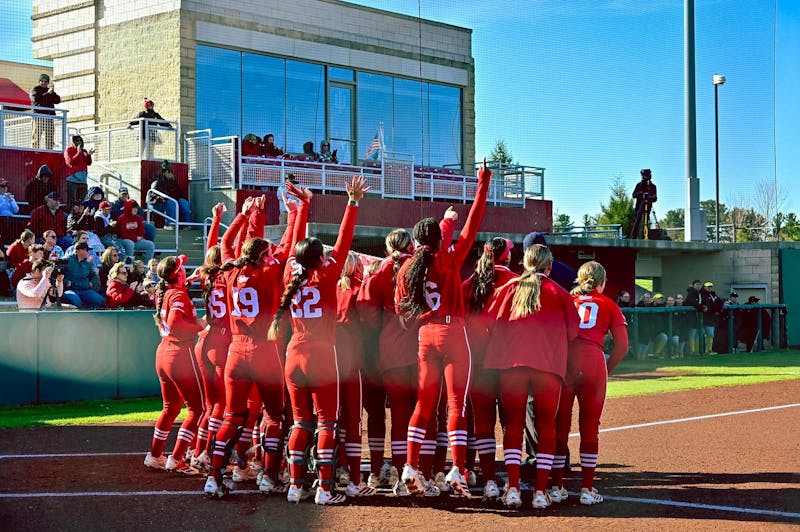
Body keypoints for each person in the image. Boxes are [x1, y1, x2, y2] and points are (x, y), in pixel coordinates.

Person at [268, 176, 368, 506]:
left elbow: (297, 245)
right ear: (319, 259)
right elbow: (344, 238)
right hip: (322, 354)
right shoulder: (326, 275)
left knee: (300, 422)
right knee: (327, 423)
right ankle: (325, 489)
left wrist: (301, 208)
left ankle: (296, 486)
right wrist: (352, 202)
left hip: (293, 353)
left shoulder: (289, 274)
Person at [395, 159, 491, 498]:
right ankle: (457, 470)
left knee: (423, 404)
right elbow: (475, 221)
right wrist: (482, 182)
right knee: (455, 406)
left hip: (424, 335)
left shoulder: (406, 267)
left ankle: (410, 466)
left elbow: (399, 306)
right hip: (452, 332)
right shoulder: (449, 259)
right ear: (439, 239)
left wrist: (445, 226)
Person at [204, 190, 309, 499]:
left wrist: (246, 215)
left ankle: (213, 477)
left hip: (235, 349)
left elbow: (225, 245)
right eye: (268, 252)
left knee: (232, 417)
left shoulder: (231, 270)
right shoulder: (267, 272)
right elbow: (290, 247)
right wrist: (295, 214)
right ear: (264, 256)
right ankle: (268, 475)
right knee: (275, 416)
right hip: (263, 350)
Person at [485, 244, 579, 509]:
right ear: (549, 267)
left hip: (511, 366)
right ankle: (540, 492)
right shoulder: (560, 293)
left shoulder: (508, 291)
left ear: (524, 264)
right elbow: (573, 334)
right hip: (548, 367)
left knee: (512, 427)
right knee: (547, 427)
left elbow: (491, 326)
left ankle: (513, 488)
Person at [549, 261, 629, 507]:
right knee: (590, 427)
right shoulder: (608, 304)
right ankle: (586, 488)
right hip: (593, 363)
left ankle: (557, 486)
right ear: (602, 282)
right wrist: (607, 368)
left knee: (559, 426)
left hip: (566, 362)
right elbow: (622, 346)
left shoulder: (567, 300)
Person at [355, 228, 421, 496]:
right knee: (413, 413)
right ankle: (409, 469)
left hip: (387, 348)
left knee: (382, 414)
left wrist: (383, 325)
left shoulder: (378, 271)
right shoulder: (417, 267)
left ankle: (381, 470)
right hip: (418, 346)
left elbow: (364, 306)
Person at [461, 237, 516, 500]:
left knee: (482, 424)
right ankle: (512, 479)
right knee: (511, 423)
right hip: (508, 363)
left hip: (477, 362)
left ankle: (490, 480)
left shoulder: (469, 284)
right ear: (506, 256)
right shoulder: (516, 281)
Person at [144, 255, 205, 475]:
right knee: (198, 410)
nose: (184, 269)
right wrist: (201, 325)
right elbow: (177, 324)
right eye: (182, 268)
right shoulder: (177, 294)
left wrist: (189, 280)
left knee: (170, 408)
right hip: (180, 354)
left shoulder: (164, 291)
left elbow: (173, 295)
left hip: (163, 353)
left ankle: (155, 455)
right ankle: (178, 458)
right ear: (176, 273)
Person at [335, 251, 379, 497]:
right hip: (353, 360)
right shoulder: (357, 289)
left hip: (328, 360)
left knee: (332, 419)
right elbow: (370, 321)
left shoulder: (330, 288)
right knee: (354, 421)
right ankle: (354, 477)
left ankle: (336, 467)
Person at [61, 242, 105, 309]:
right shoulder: (66, 261)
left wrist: (91, 283)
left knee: (100, 300)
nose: (88, 252)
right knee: (76, 301)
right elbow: (57, 274)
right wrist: (66, 282)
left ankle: (91, 317)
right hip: (71, 290)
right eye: (86, 250)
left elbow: (93, 276)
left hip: (85, 290)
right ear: (79, 250)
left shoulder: (86, 264)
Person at [30, 73, 61, 150]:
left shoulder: (49, 91)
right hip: (38, 117)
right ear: (39, 81)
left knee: (49, 136)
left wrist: (52, 93)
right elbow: (36, 99)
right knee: (37, 135)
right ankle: (35, 151)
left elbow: (58, 100)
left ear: (47, 82)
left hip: (49, 117)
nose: (43, 83)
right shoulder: (35, 89)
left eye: (45, 81)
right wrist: (48, 93)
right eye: (42, 81)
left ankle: (49, 151)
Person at [64, 135, 93, 206]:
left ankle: (80, 214)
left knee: (82, 201)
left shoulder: (84, 151)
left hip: (83, 181)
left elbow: (89, 163)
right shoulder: (69, 150)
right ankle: (72, 216)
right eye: (77, 140)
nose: (79, 142)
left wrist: (89, 155)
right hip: (72, 180)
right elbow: (70, 161)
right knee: (72, 202)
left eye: (80, 140)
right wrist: (78, 153)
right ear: (73, 142)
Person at [630, 168, 657, 239]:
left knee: (648, 222)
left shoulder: (653, 187)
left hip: (648, 208)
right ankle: (634, 236)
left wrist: (650, 197)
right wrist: (640, 194)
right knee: (637, 221)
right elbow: (633, 195)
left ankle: (647, 236)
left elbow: (655, 198)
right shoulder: (639, 185)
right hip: (639, 207)